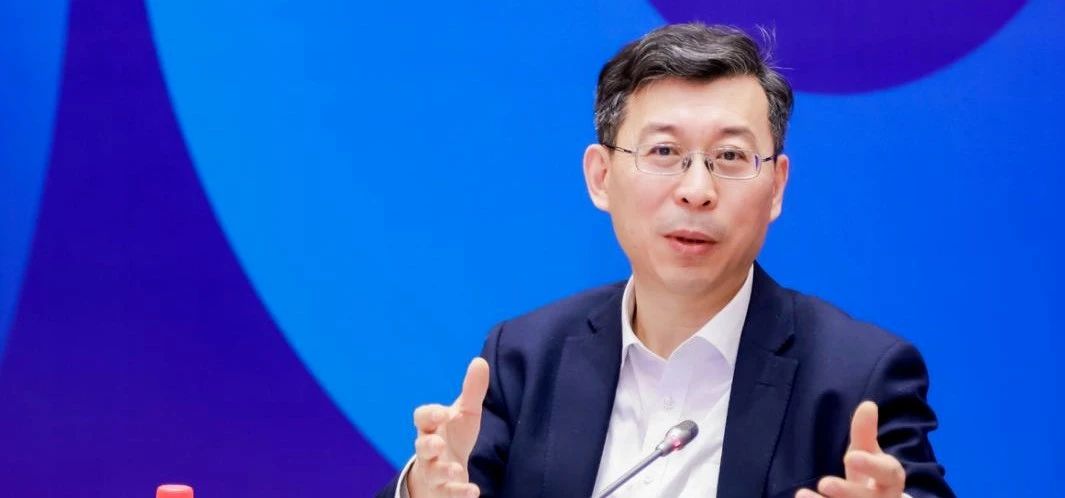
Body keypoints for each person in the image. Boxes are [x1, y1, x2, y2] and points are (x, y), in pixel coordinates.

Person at [378, 23, 953, 498]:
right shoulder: (524, 358)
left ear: (777, 187)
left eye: (730, 156)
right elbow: (453, 484)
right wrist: (421, 490)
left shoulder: (858, 378)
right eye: (664, 151)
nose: (697, 190)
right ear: (601, 177)